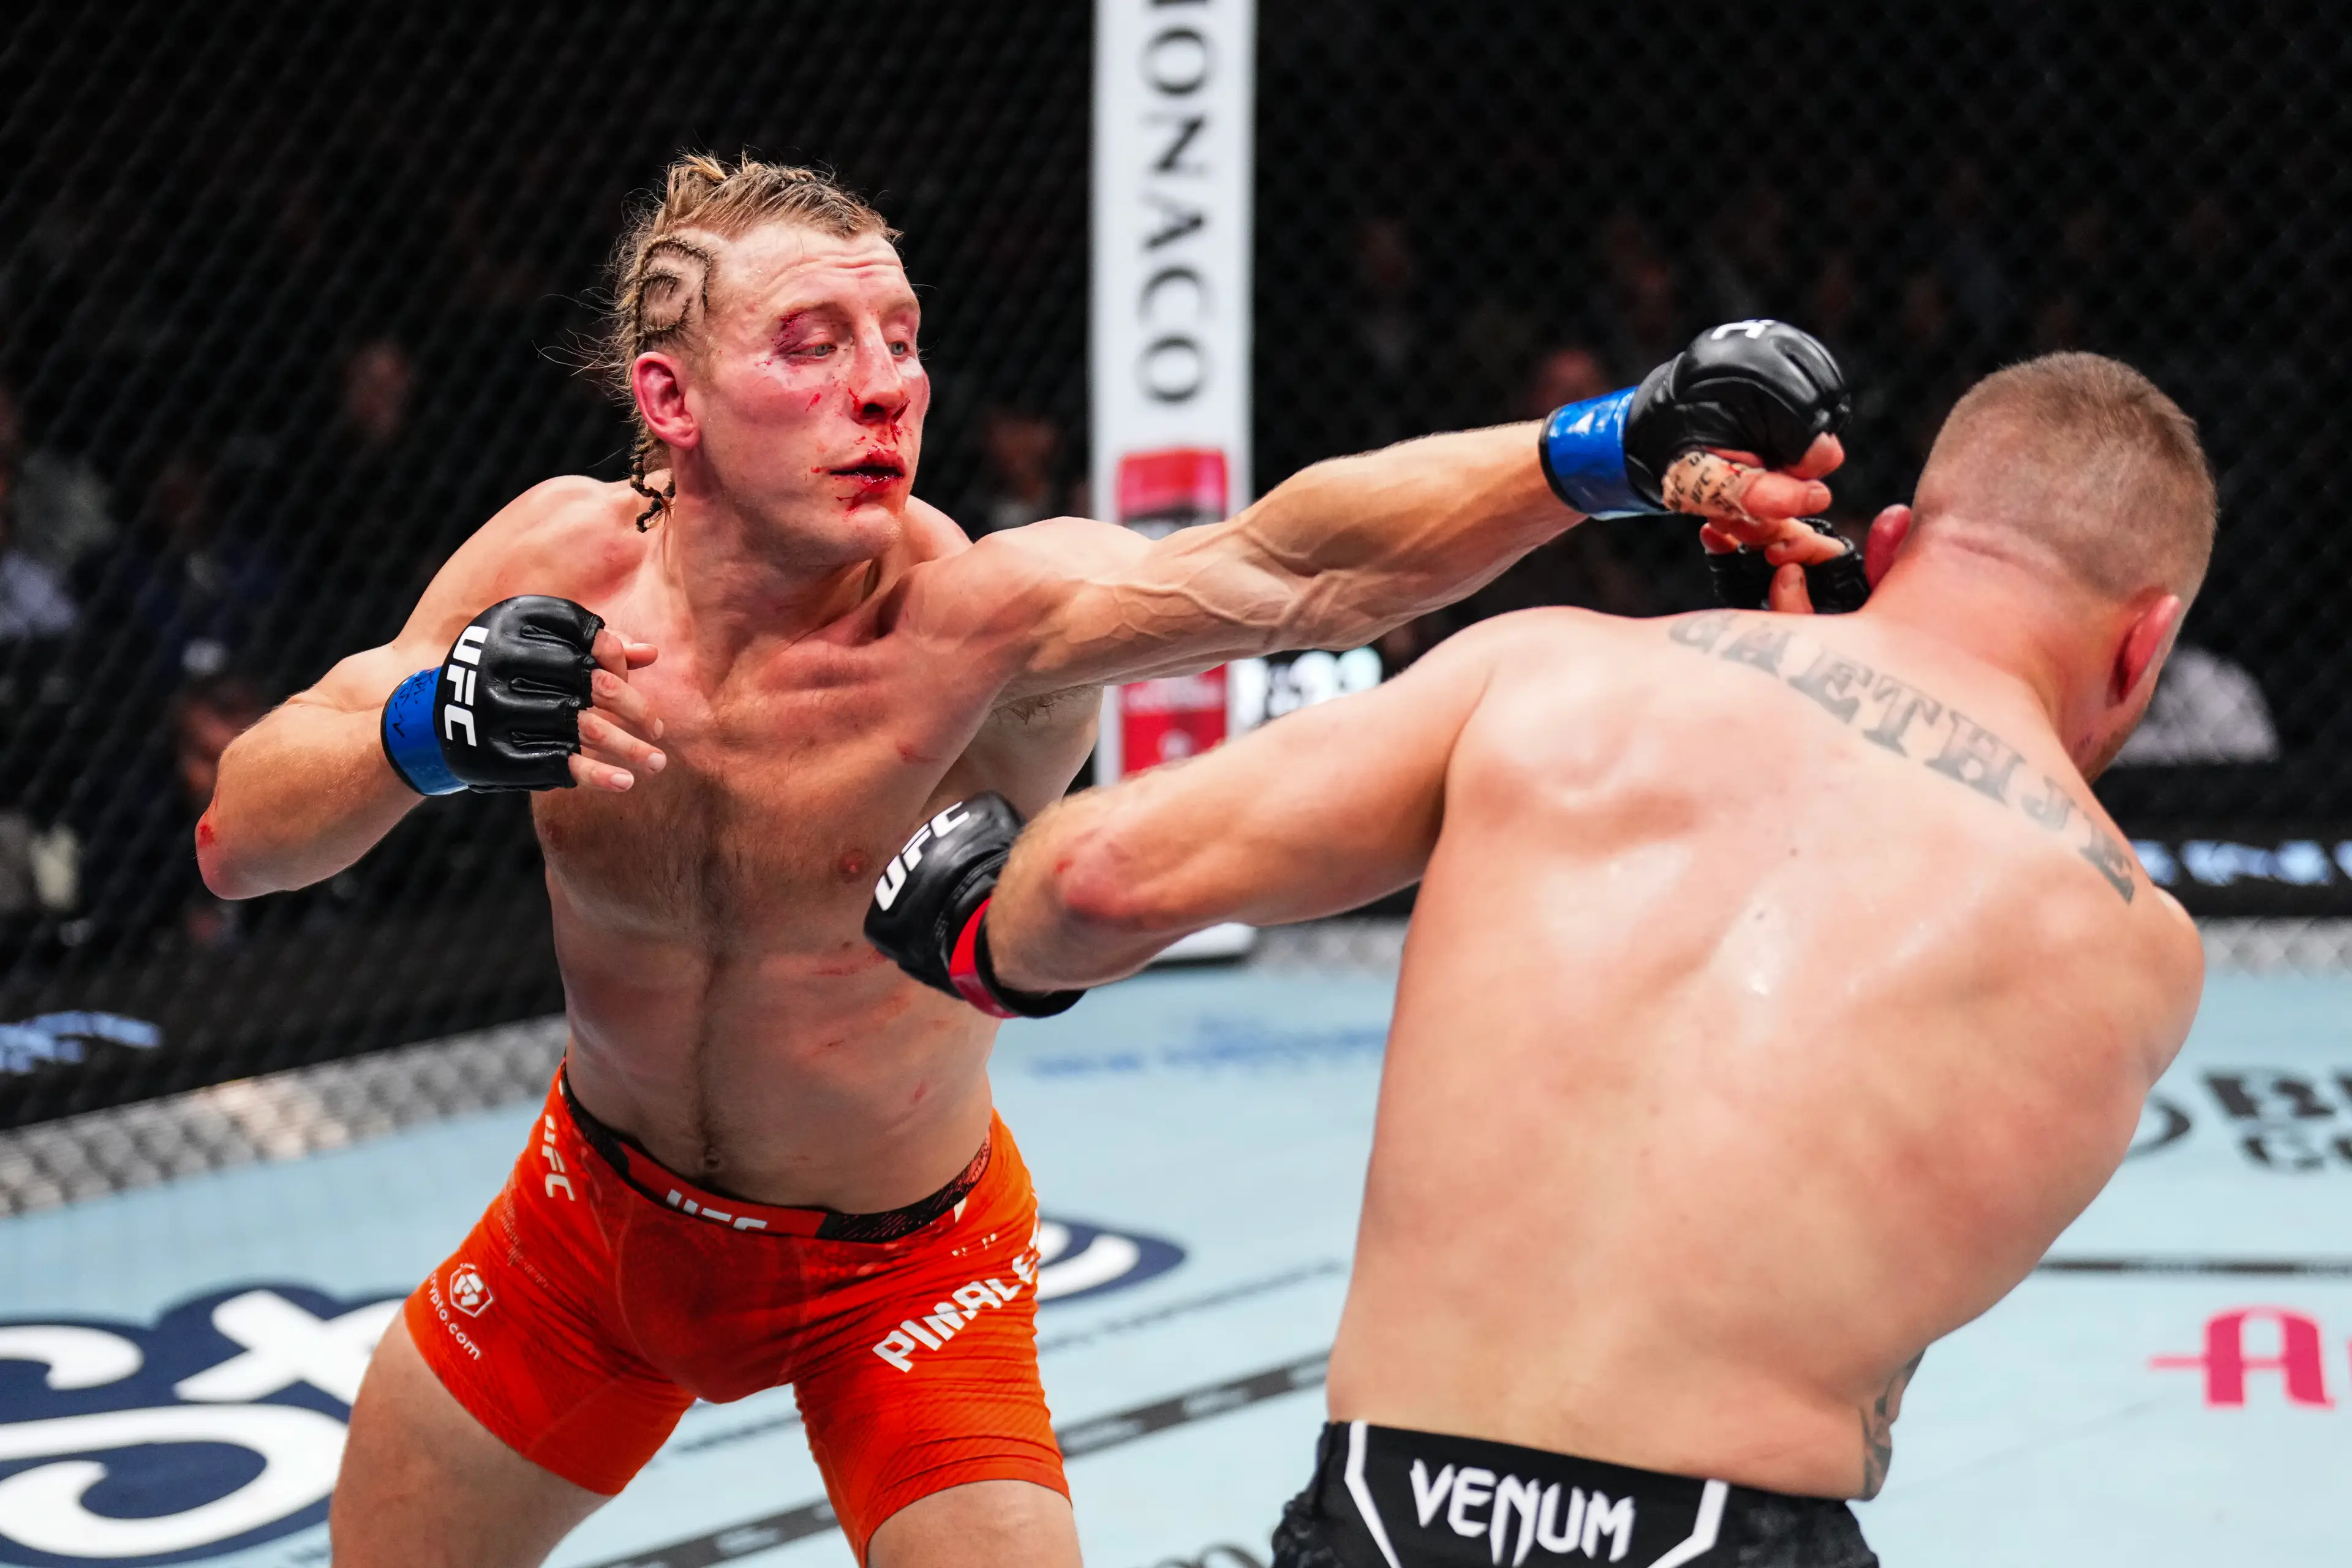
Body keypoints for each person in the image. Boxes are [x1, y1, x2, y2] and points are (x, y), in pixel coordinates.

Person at [198, 151, 1849, 1568]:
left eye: (902, 341)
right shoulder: (549, 565)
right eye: (815, 342)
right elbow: (239, 842)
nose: (886, 385)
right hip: (590, 1229)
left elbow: (1295, 565)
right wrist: (422, 732)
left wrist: (1612, 444)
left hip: (898, 1274)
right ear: (669, 401)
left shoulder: (982, 623)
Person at [870, 352, 2210, 1567]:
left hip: (1389, 1518)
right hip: (1738, 1530)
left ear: (1898, 538)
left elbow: (1107, 879)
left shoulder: (1548, 676)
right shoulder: (2131, 949)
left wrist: (980, 927)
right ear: (2145, 640)